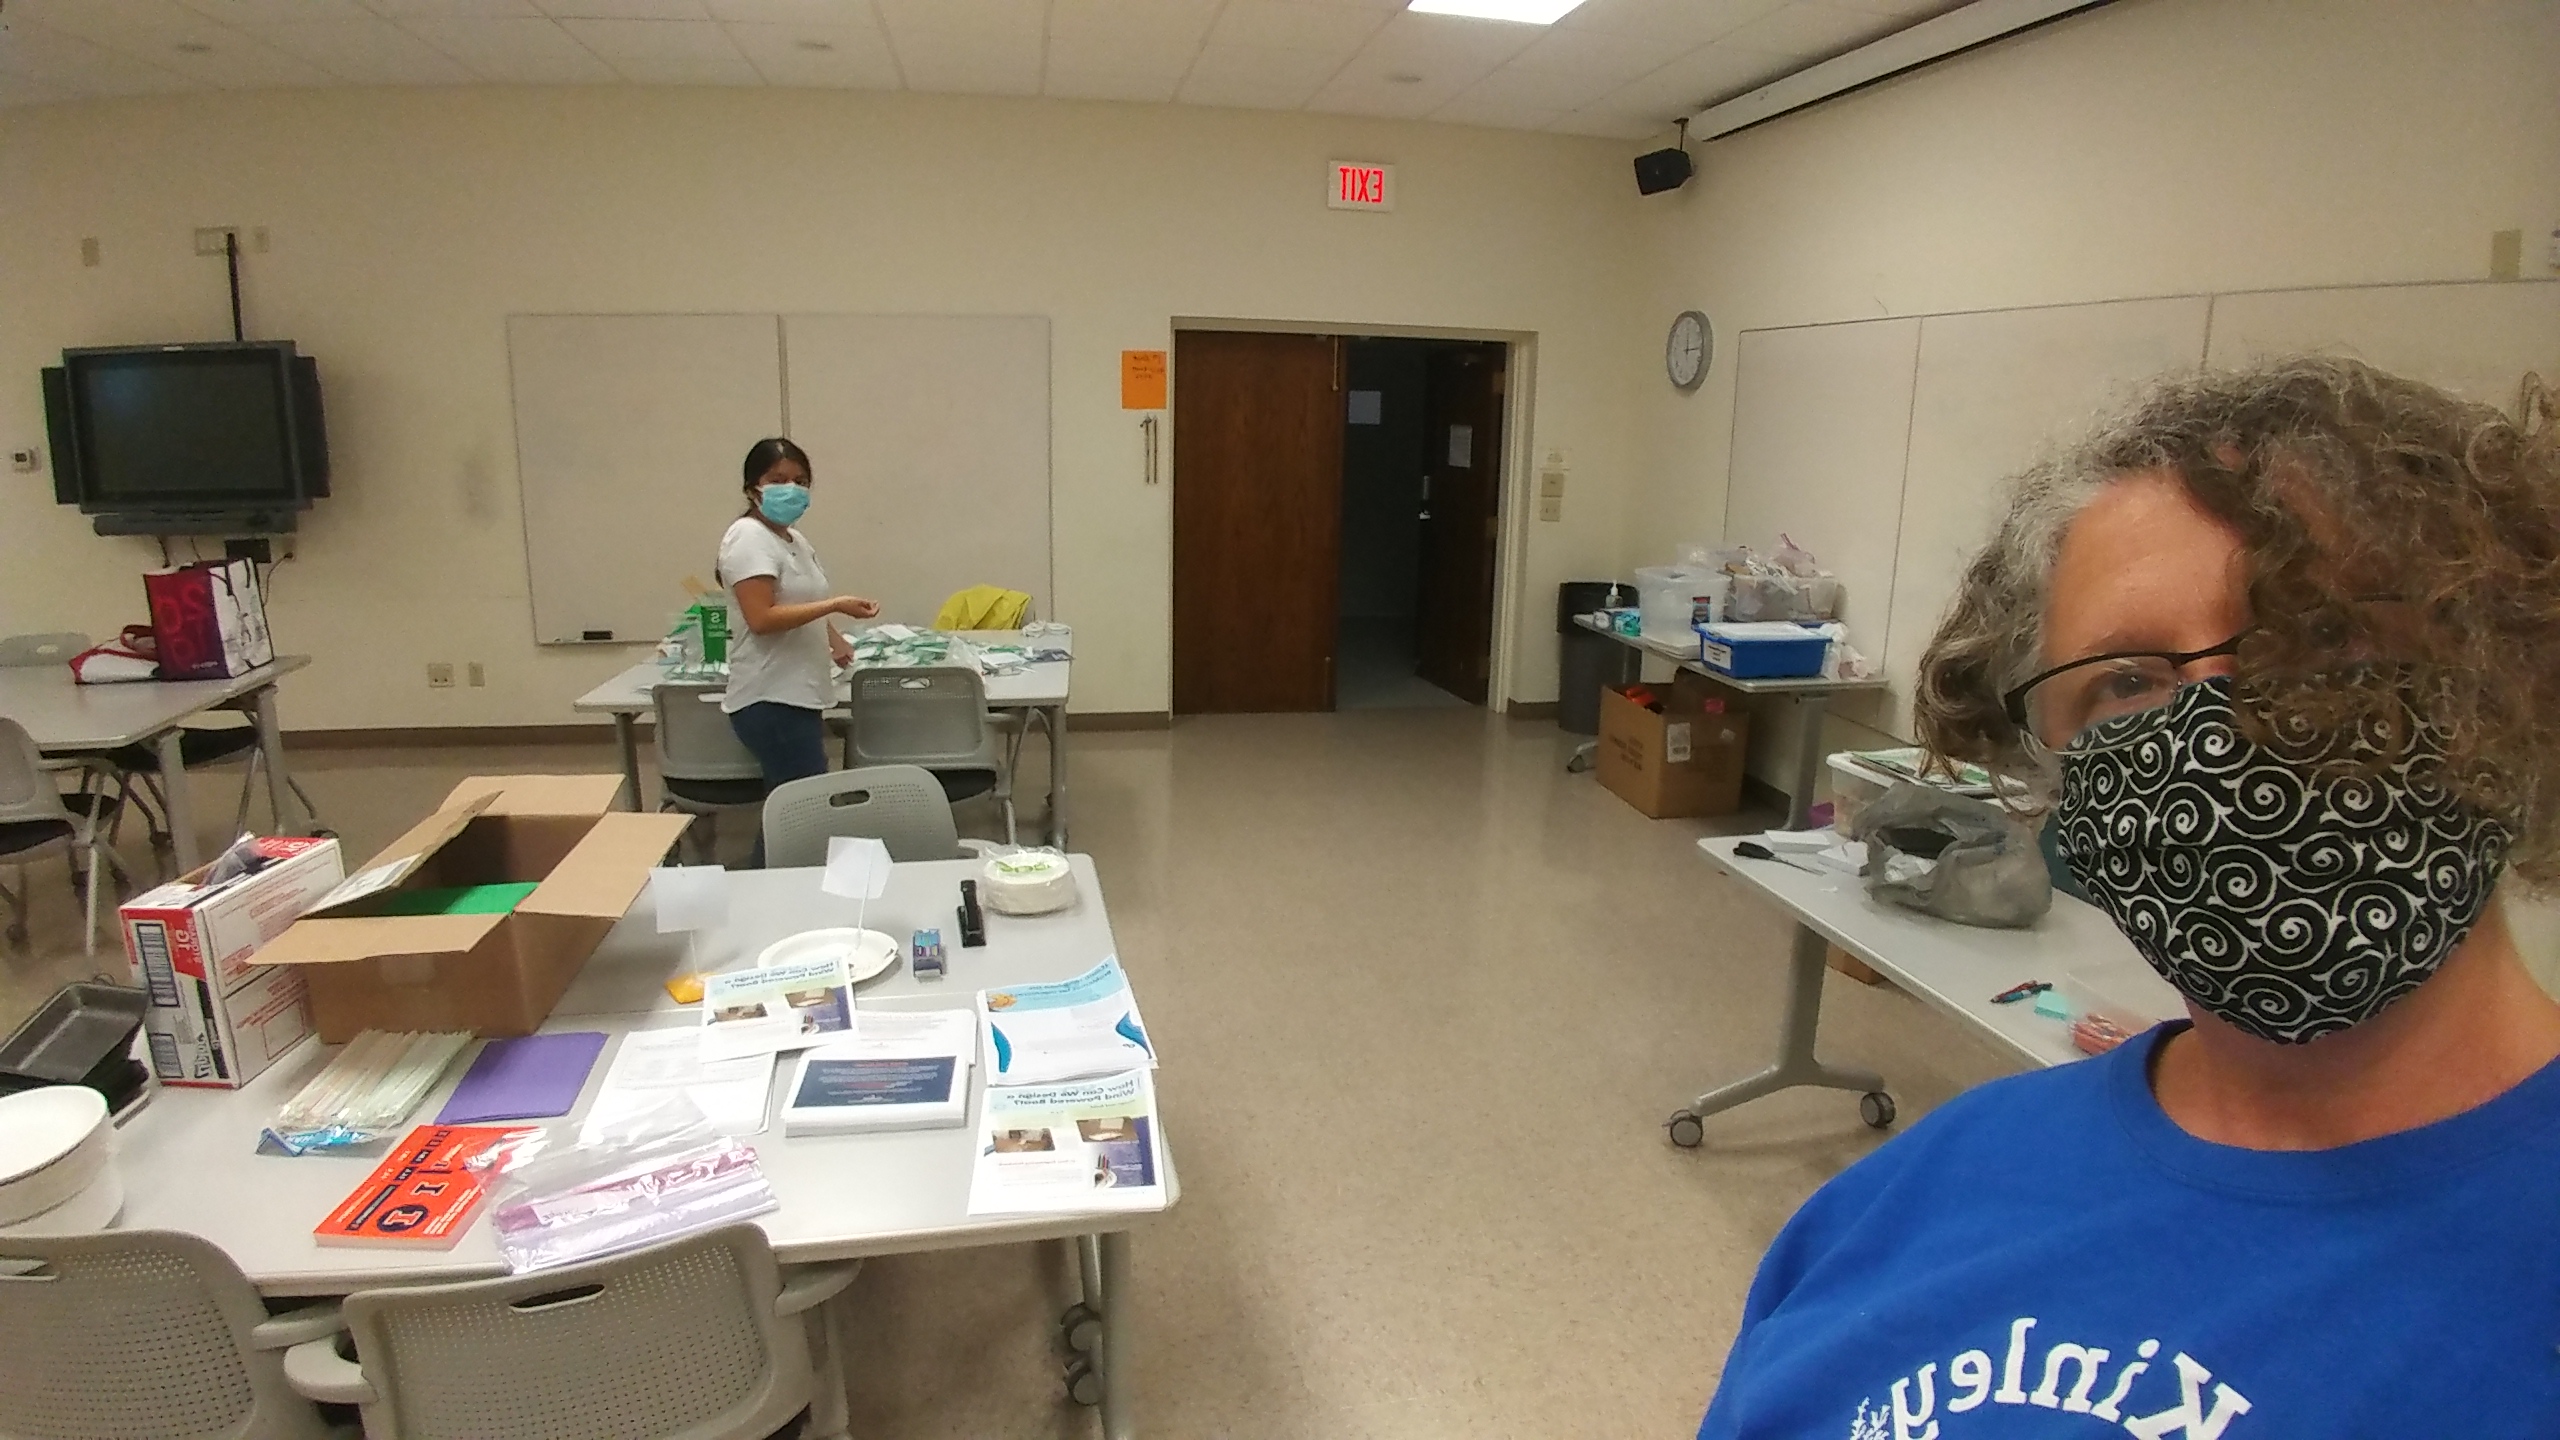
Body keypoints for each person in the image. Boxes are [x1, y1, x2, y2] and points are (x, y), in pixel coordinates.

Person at [1696, 358, 2560, 1438]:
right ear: (2058, 776)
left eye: (2320, 638)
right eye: (2128, 681)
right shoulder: (1904, 1203)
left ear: (2504, 677)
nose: (2220, 730)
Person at [717, 438, 877, 862]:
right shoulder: (747, 538)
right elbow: (763, 619)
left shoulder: (792, 539)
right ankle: (763, 891)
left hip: (797, 692)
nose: (791, 489)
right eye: (778, 480)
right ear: (754, 487)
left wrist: (832, 635)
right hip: (770, 697)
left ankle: (771, 889)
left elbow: (795, 600)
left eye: (801, 481)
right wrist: (836, 604)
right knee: (798, 814)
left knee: (794, 808)